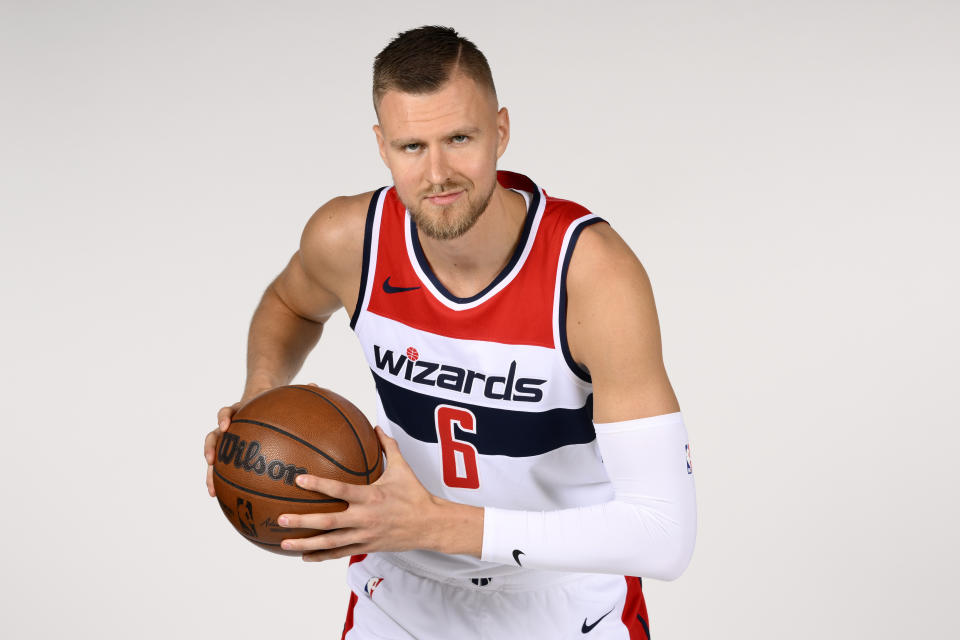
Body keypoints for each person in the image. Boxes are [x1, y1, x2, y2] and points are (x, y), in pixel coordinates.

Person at [203, 25, 696, 639]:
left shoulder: (591, 275)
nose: (438, 173)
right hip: (402, 589)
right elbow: (290, 303)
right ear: (382, 146)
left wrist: (434, 523)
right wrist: (260, 398)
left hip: (563, 593)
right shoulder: (350, 239)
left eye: (459, 138)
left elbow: (663, 535)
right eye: (412, 146)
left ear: (502, 131)